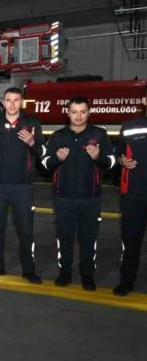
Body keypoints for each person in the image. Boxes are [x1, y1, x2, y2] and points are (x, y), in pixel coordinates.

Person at [42, 96, 115, 291]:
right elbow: (45, 164)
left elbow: (112, 162)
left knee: (88, 239)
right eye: (74, 112)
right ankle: (65, 273)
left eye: (83, 112)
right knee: (64, 238)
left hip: (90, 198)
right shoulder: (58, 136)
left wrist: (98, 156)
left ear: (89, 113)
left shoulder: (99, 134)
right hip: (63, 198)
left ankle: (87, 275)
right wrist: (56, 158)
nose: (78, 116)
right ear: (68, 113)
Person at [0, 87, 44, 284]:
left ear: (22, 102)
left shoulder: (31, 123)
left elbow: (41, 153)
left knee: (25, 230)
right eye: (9, 100)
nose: (13, 104)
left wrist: (33, 142)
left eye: (16, 100)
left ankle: (29, 270)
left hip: (22, 186)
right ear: (3, 102)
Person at [114, 104, 147, 296]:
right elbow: (119, 152)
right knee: (131, 241)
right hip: (133, 194)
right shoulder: (130, 125)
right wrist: (122, 160)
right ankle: (127, 281)